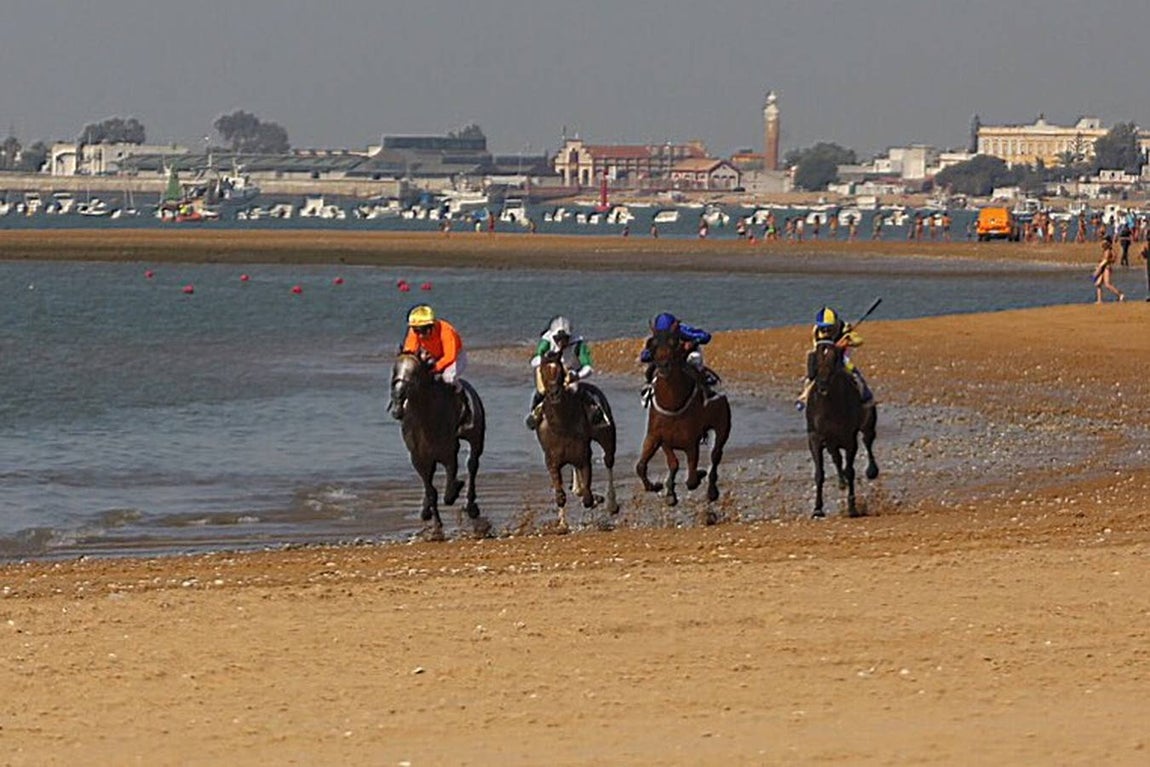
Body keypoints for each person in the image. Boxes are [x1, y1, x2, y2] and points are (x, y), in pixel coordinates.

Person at [524, 316, 608, 430]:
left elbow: (588, 366)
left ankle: (596, 411)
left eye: (564, 338)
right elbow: (535, 359)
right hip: (552, 371)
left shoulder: (578, 344)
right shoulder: (546, 341)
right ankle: (534, 413)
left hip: (570, 372)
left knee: (575, 390)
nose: (561, 342)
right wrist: (544, 359)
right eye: (558, 339)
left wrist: (577, 375)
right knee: (541, 392)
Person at [401, 304, 473, 430]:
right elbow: (410, 350)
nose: (420, 335)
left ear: (432, 326)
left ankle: (465, 409)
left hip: (456, 357)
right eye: (417, 331)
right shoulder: (414, 332)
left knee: (447, 378)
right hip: (433, 356)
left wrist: (435, 369)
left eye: (423, 331)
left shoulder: (446, 331)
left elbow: (449, 356)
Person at [795, 306, 874, 411]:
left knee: (852, 371)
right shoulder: (816, 331)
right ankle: (805, 396)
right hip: (823, 352)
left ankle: (865, 395)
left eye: (829, 328)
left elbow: (859, 341)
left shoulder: (844, 328)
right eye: (823, 328)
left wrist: (848, 341)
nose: (826, 331)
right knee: (812, 370)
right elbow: (817, 345)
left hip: (841, 354)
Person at [639, 312, 719, 403]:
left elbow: (706, 336)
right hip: (668, 360)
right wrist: (653, 353)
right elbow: (644, 357)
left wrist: (692, 342)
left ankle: (705, 386)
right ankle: (649, 387)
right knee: (653, 365)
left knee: (694, 358)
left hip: (685, 356)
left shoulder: (682, 330)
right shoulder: (656, 338)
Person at [1093, 236, 1125, 303]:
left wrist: (1098, 268)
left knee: (1107, 284)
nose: (1102, 243)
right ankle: (1099, 300)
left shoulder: (1108, 251)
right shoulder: (1106, 250)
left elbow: (1106, 260)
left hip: (1106, 268)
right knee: (1098, 284)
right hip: (1103, 268)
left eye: (1104, 242)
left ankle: (1120, 294)